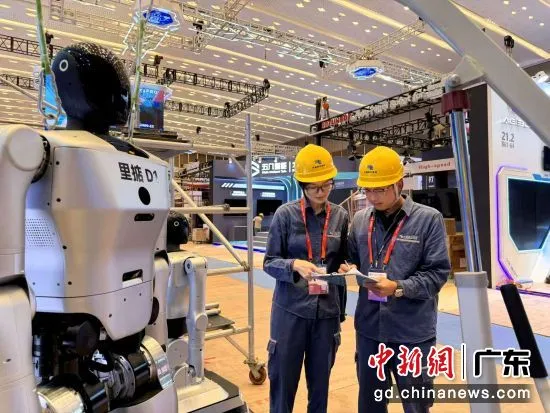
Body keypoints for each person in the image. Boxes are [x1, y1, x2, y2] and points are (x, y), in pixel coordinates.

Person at [344, 146, 451, 413]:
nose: (373, 197)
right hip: (369, 331)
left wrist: (398, 288)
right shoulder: (360, 221)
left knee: (416, 406)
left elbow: (437, 273)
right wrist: (349, 267)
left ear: (399, 184)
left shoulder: (428, 220)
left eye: (380, 190)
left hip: (412, 334)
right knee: (370, 405)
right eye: (368, 190)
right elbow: (351, 258)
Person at [263, 144, 349, 413]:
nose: (321, 192)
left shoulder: (341, 216)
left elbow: (343, 260)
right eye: (314, 187)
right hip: (290, 313)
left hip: (326, 315)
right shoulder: (285, 215)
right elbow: (269, 262)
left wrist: (347, 268)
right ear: (302, 185)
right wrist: (293, 265)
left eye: (326, 185)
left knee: (320, 387)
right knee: (283, 383)